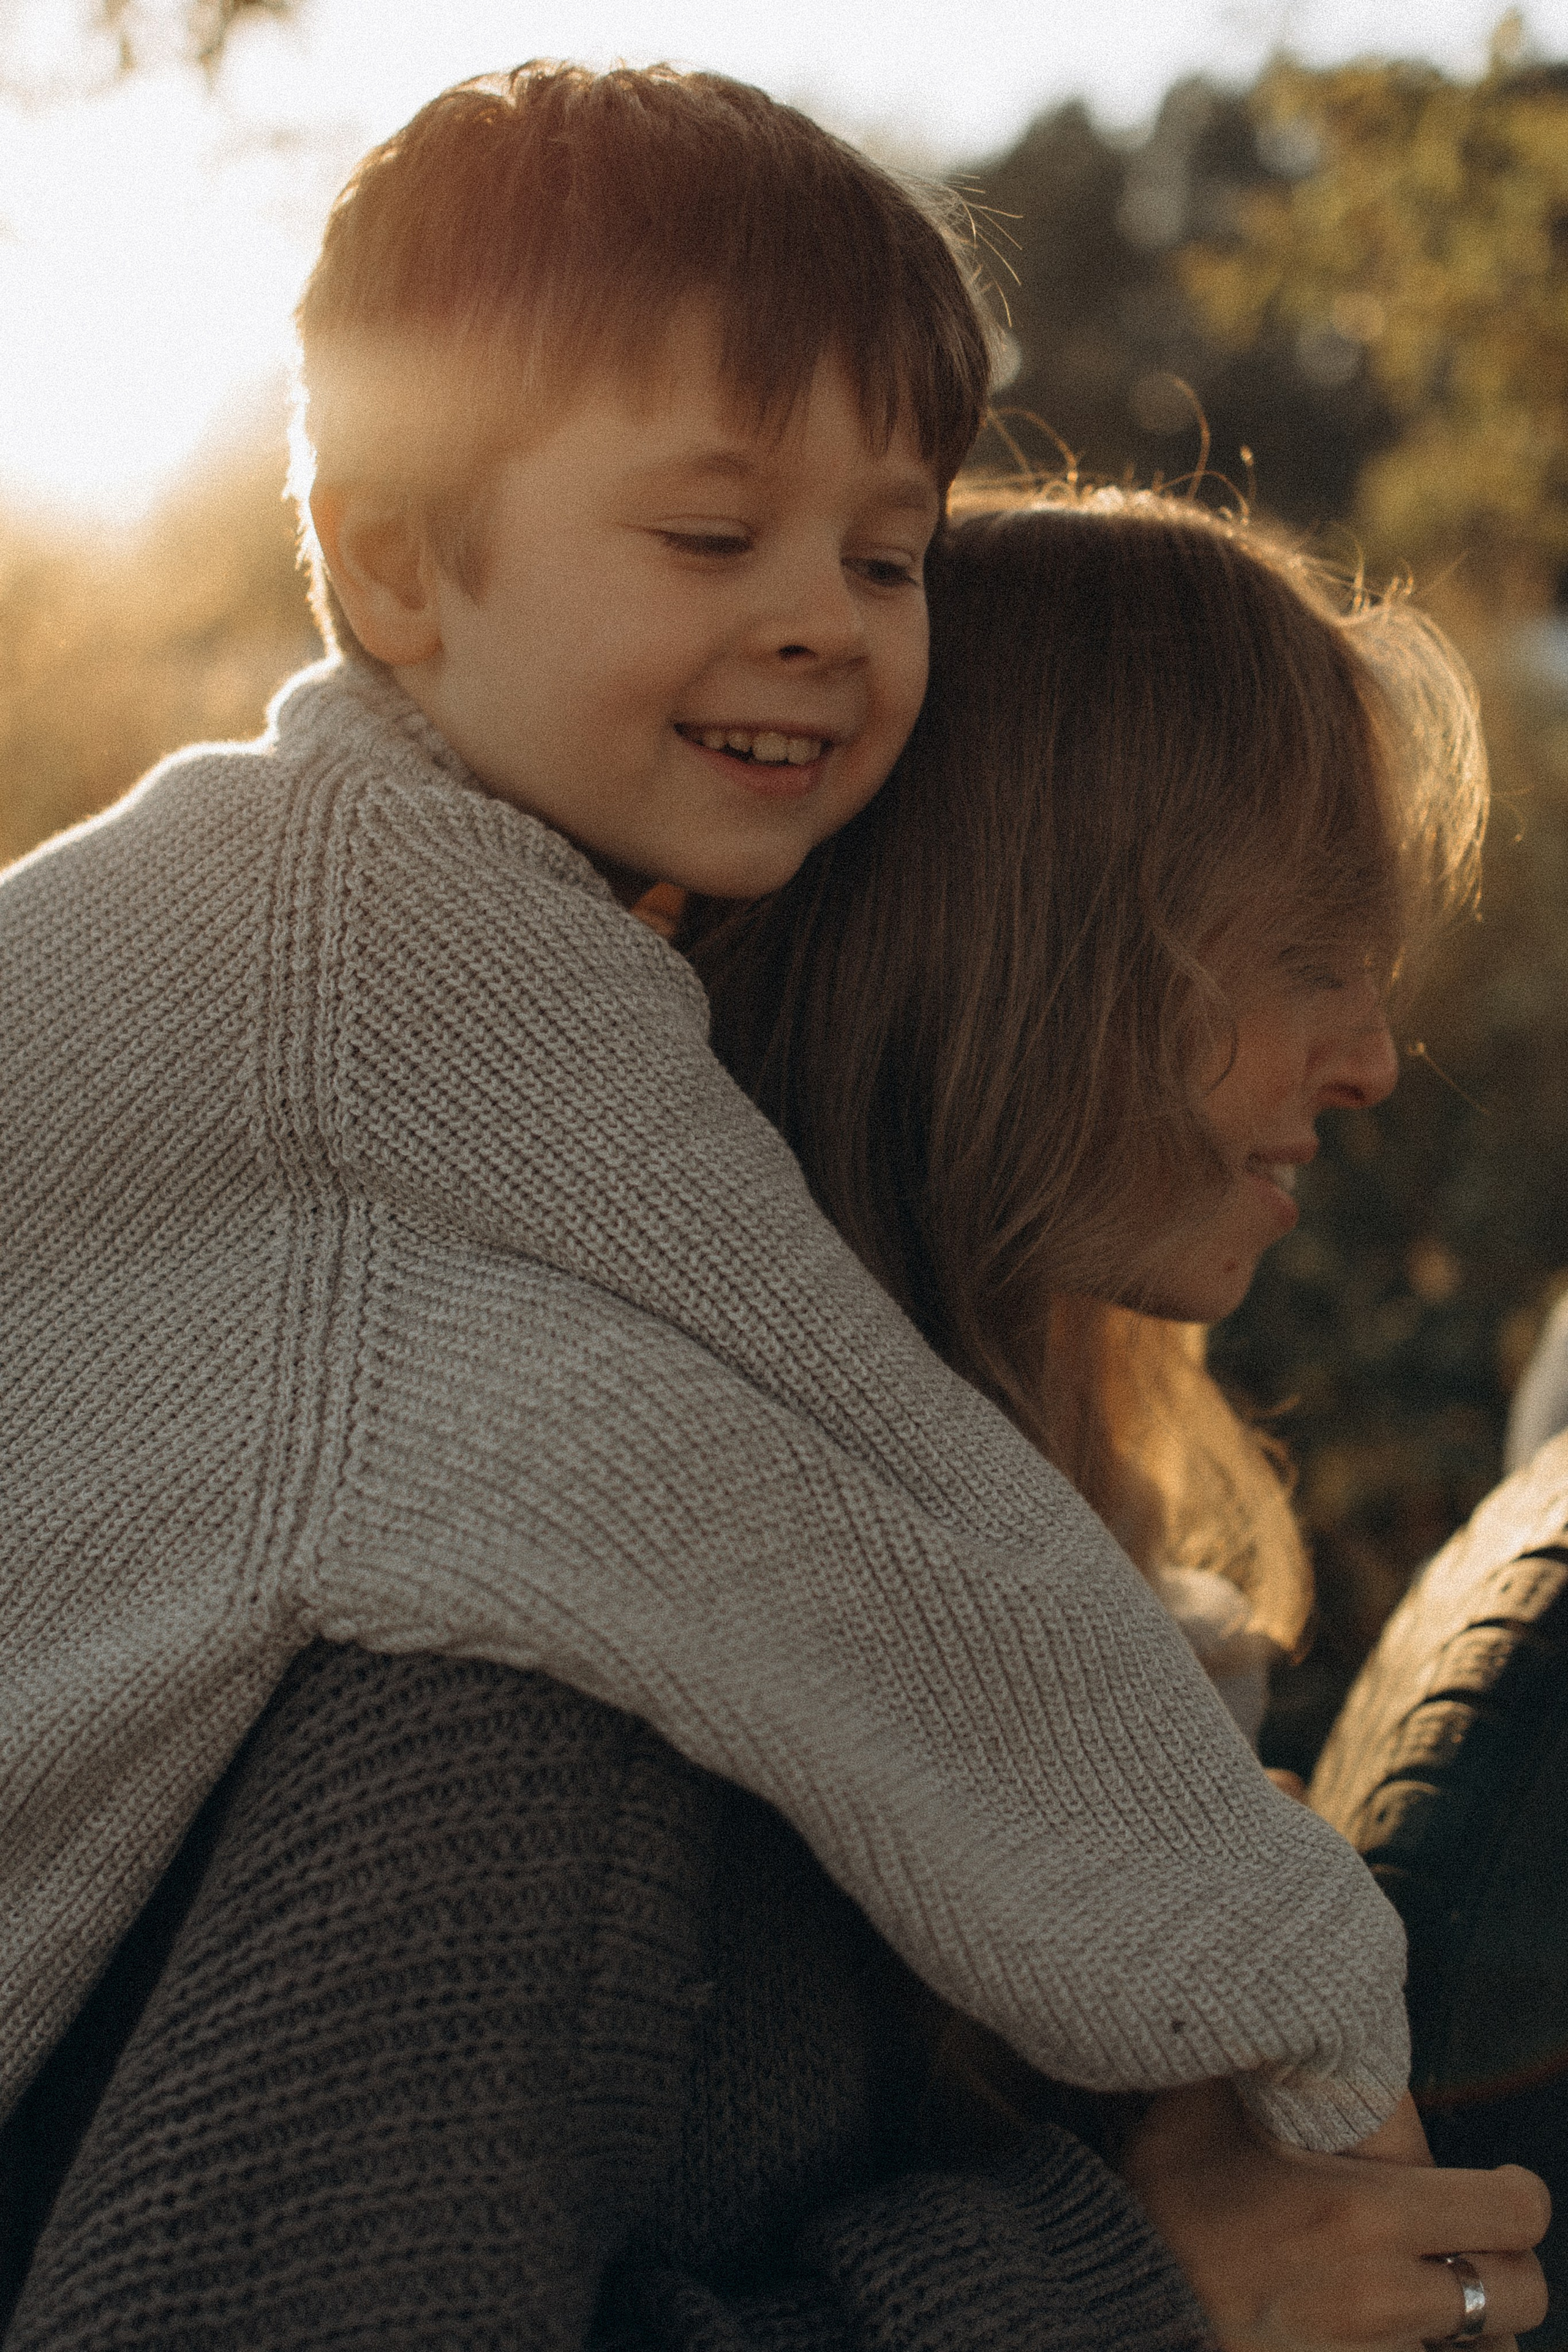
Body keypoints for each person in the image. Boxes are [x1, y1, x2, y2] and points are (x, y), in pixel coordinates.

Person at [4, 486, 1547, 2350]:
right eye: (1306, 949)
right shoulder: (555, 1640)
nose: (1375, 1056)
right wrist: (1128, 2296)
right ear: (1029, 948)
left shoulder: (1007, 1620)